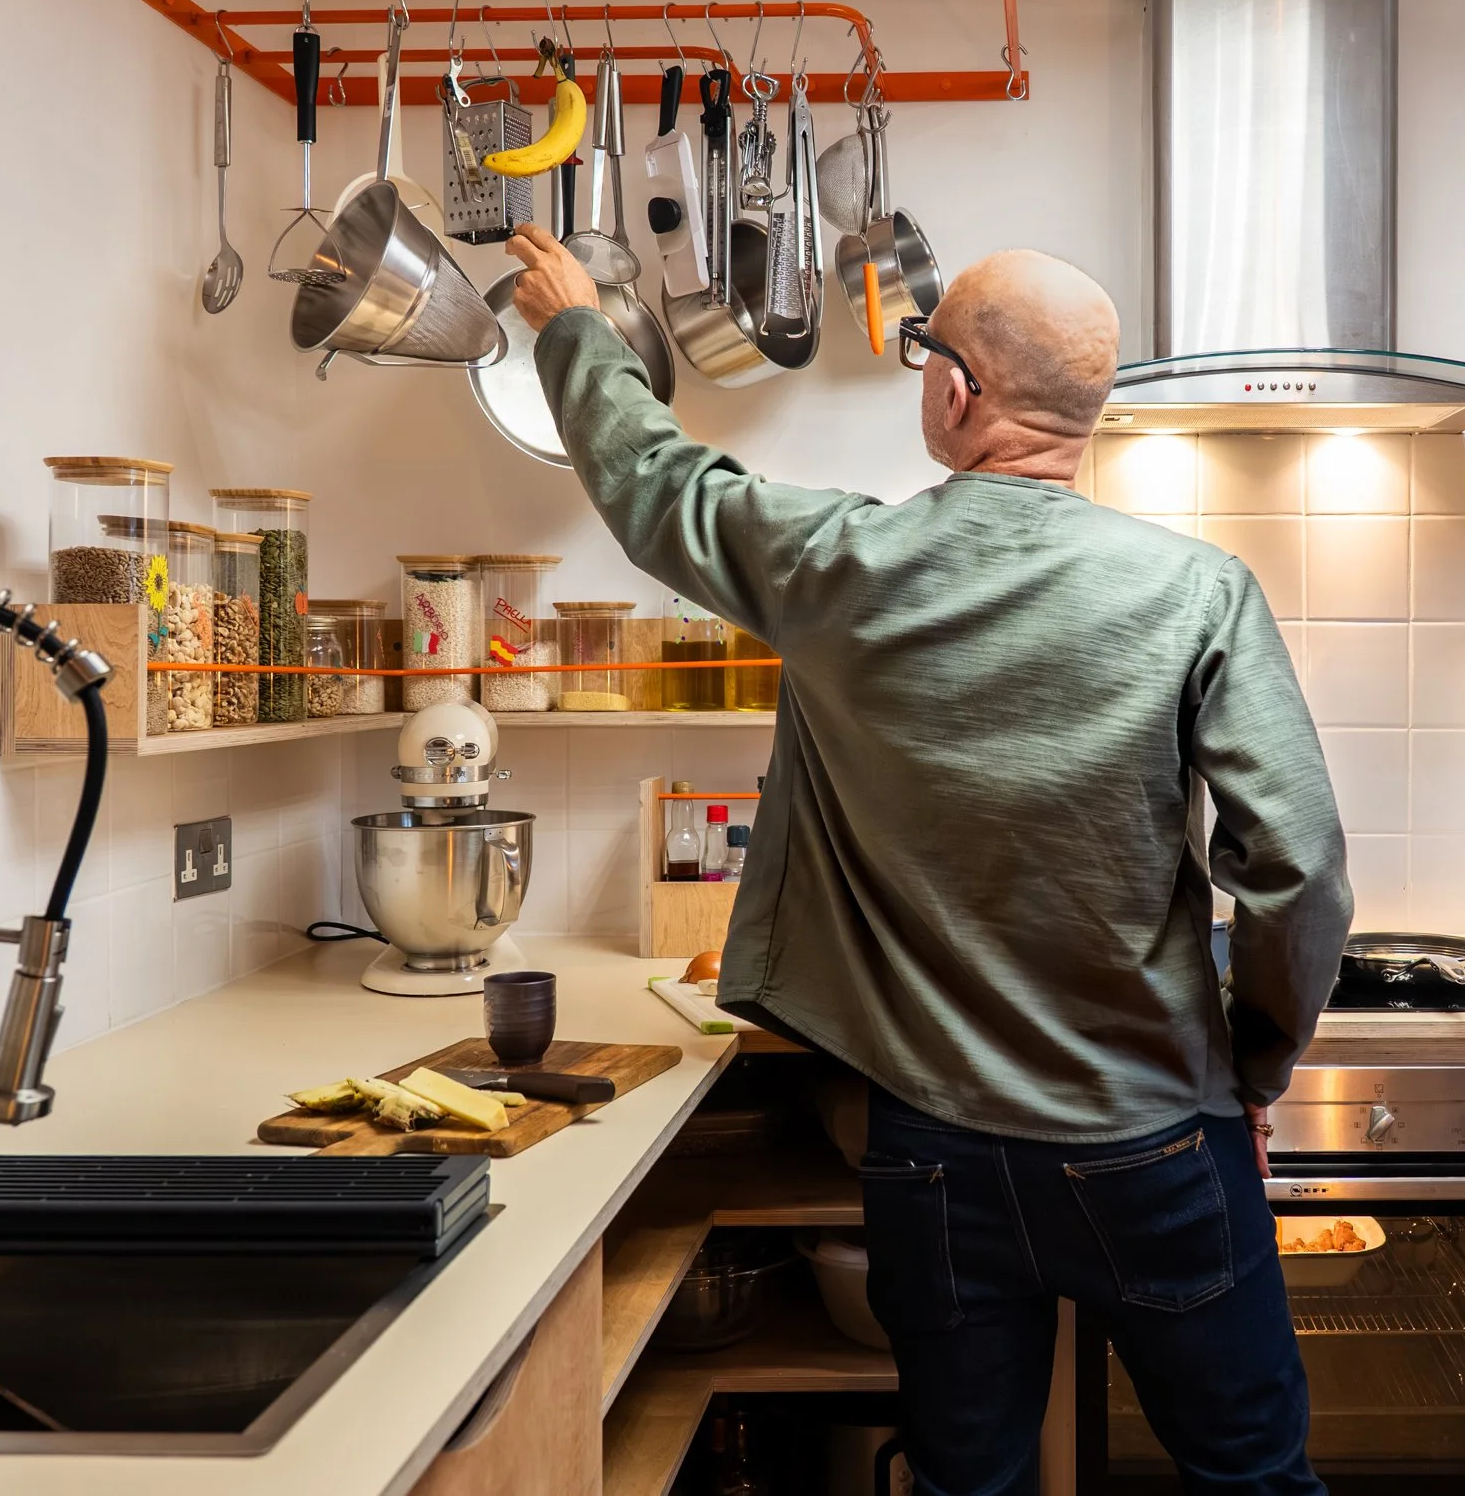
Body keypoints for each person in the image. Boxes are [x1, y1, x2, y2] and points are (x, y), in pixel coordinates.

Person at [507, 224, 1350, 1496]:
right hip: (1157, 1142)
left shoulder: (832, 565)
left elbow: (655, 482)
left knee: (968, 1481)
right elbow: (1297, 867)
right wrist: (1256, 1059)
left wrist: (574, 322)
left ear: (954, 393)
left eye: (921, 354)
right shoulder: (1198, 591)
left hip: (935, 1151)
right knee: (1250, 1473)